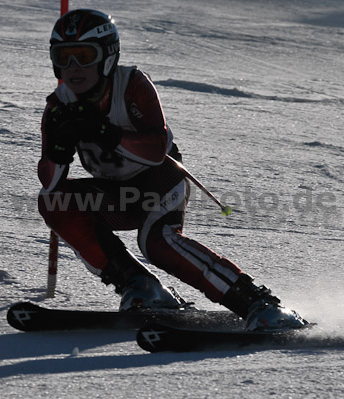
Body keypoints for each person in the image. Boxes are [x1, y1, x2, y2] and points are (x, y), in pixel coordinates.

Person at [37, 9, 307, 331]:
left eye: (83, 55)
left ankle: (258, 303)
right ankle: (141, 286)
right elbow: (51, 181)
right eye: (64, 57)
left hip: (159, 181)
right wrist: (58, 147)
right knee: (54, 201)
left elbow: (154, 150)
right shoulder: (58, 106)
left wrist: (106, 132)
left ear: (107, 56)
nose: (74, 68)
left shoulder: (132, 86)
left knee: (157, 242)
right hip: (116, 193)